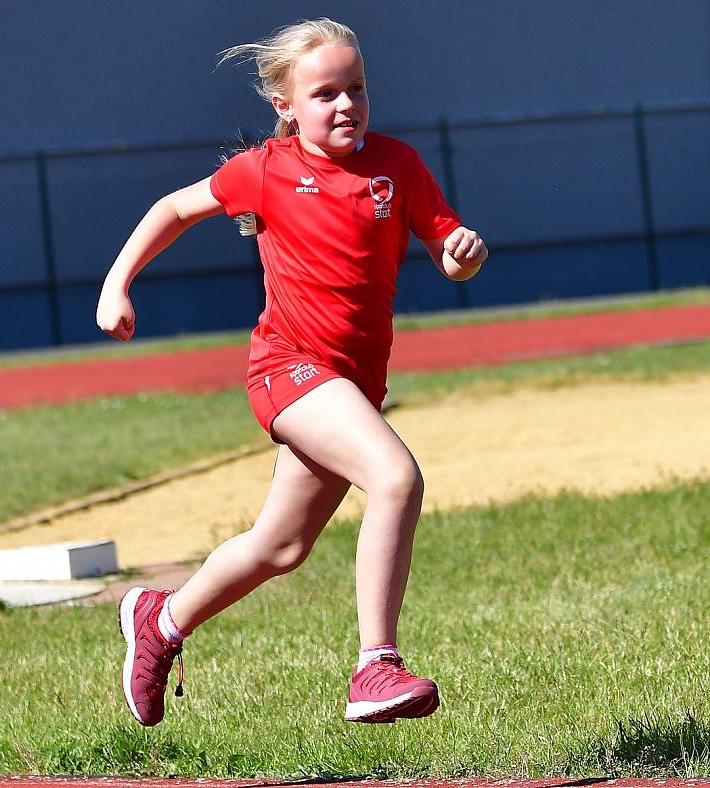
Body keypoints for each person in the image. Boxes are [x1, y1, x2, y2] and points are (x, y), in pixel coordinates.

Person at [97, 17, 488, 728]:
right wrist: (116, 284)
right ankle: (377, 666)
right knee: (396, 478)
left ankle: (161, 621)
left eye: (357, 88)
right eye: (326, 93)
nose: (347, 105)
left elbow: (447, 253)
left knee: (280, 547)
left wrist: (463, 254)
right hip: (289, 370)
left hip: (351, 385)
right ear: (285, 106)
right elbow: (174, 208)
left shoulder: (396, 166)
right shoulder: (264, 172)